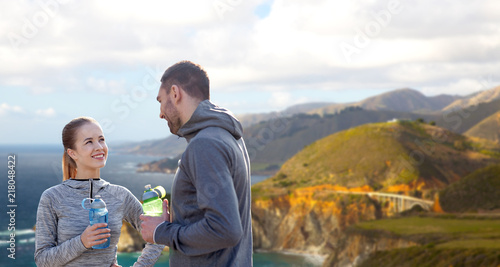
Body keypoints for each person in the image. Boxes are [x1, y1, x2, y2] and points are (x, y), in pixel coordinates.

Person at [140, 60, 253, 266]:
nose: (160, 113)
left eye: (160, 101)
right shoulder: (228, 136)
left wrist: (161, 232)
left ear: (175, 93)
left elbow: (225, 229)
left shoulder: (205, 144)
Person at [35, 117, 164, 267]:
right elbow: (42, 260)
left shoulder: (120, 195)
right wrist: (82, 242)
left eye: (101, 139)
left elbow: (158, 235)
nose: (99, 147)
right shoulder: (52, 197)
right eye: (89, 142)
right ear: (72, 153)